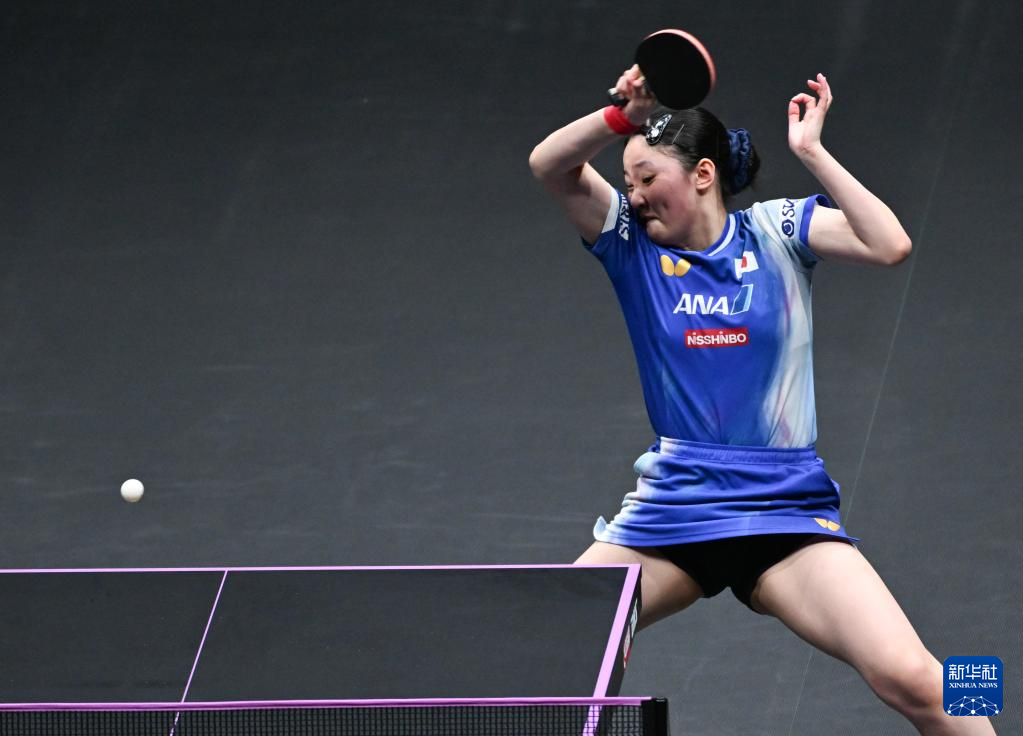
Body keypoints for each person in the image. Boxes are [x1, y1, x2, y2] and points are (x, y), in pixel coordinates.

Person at [528, 66, 995, 736]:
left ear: (703, 174)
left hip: (783, 513)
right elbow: (548, 165)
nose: (633, 196)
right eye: (626, 183)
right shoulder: (628, 245)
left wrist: (812, 152)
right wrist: (622, 118)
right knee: (551, 640)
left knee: (916, 677)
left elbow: (889, 244)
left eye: (646, 178)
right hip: (672, 513)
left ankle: (989, 710)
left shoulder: (776, 230)